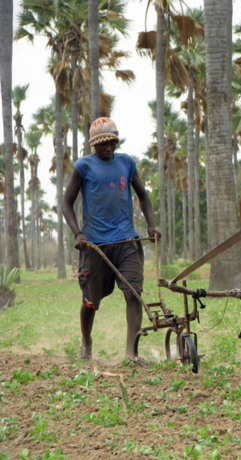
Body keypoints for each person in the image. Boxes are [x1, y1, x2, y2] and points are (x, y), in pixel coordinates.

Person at [62, 117, 160, 361]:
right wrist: (78, 233)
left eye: (112, 143)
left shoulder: (126, 163)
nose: (108, 148)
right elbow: (66, 204)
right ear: (94, 145)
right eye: (103, 144)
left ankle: (131, 353)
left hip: (126, 241)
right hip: (95, 245)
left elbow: (143, 196)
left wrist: (151, 225)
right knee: (90, 301)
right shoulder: (83, 166)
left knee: (133, 294)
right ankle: (86, 343)